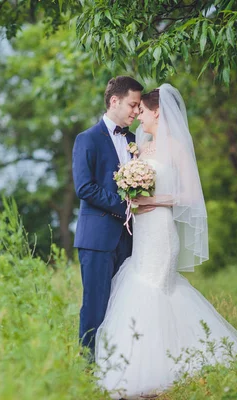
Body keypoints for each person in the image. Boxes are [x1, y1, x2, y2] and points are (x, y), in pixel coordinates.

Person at [94, 84, 237, 399]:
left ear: (157, 111)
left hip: (161, 232)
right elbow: (134, 192)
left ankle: (164, 366)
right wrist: (133, 198)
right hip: (141, 230)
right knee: (140, 284)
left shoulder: (177, 147)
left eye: (142, 112)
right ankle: (139, 362)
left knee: (155, 287)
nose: (138, 117)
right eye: (136, 111)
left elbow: (191, 196)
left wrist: (158, 200)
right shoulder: (140, 148)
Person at [72, 76, 155, 361]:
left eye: (138, 107)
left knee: (125, 304)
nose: (135, 111)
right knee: (95, 305)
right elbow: (84, 187)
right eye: (132, 105)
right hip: (96, 239)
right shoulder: (87, 139)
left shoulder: (135, 141)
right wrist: (126, 207)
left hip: (131, 239)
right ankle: (89, 367)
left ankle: (120, 366)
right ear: (114, 101)